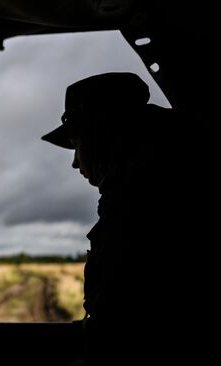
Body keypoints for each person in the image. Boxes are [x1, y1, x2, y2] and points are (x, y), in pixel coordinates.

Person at [42, 72, 189, 365]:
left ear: (102, 135)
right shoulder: (152, 185)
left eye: (76, 143)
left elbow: (122, 326)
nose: (74, 162)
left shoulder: (140, 203)